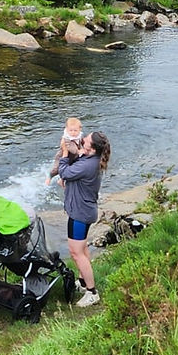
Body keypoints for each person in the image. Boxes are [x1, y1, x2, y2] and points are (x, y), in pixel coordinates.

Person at [48, 130, 110, 307]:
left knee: (76, 252)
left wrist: (66, 153)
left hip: (80, 214)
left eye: (85, 141)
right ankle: (83, 283)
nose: (81, 141)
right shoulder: (91, 159)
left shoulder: (88, 165)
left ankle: (92, 292)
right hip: (85, 211)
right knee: (82, 248)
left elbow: (65, 172)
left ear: (92, 148)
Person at [47, 116, 83, 187]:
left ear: (79, 129)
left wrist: (82, 148)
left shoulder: (79, 136)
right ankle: (49, 177)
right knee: (57, 169)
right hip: (62, 156)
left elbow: (80, 143)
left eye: (75, 130)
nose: (73, 133)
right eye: (71, 130)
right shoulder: (67, 138)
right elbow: (71, 148)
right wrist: (78, 151)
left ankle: (61, 180)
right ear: (67, 129)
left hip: (72, 157)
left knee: (69, 168)